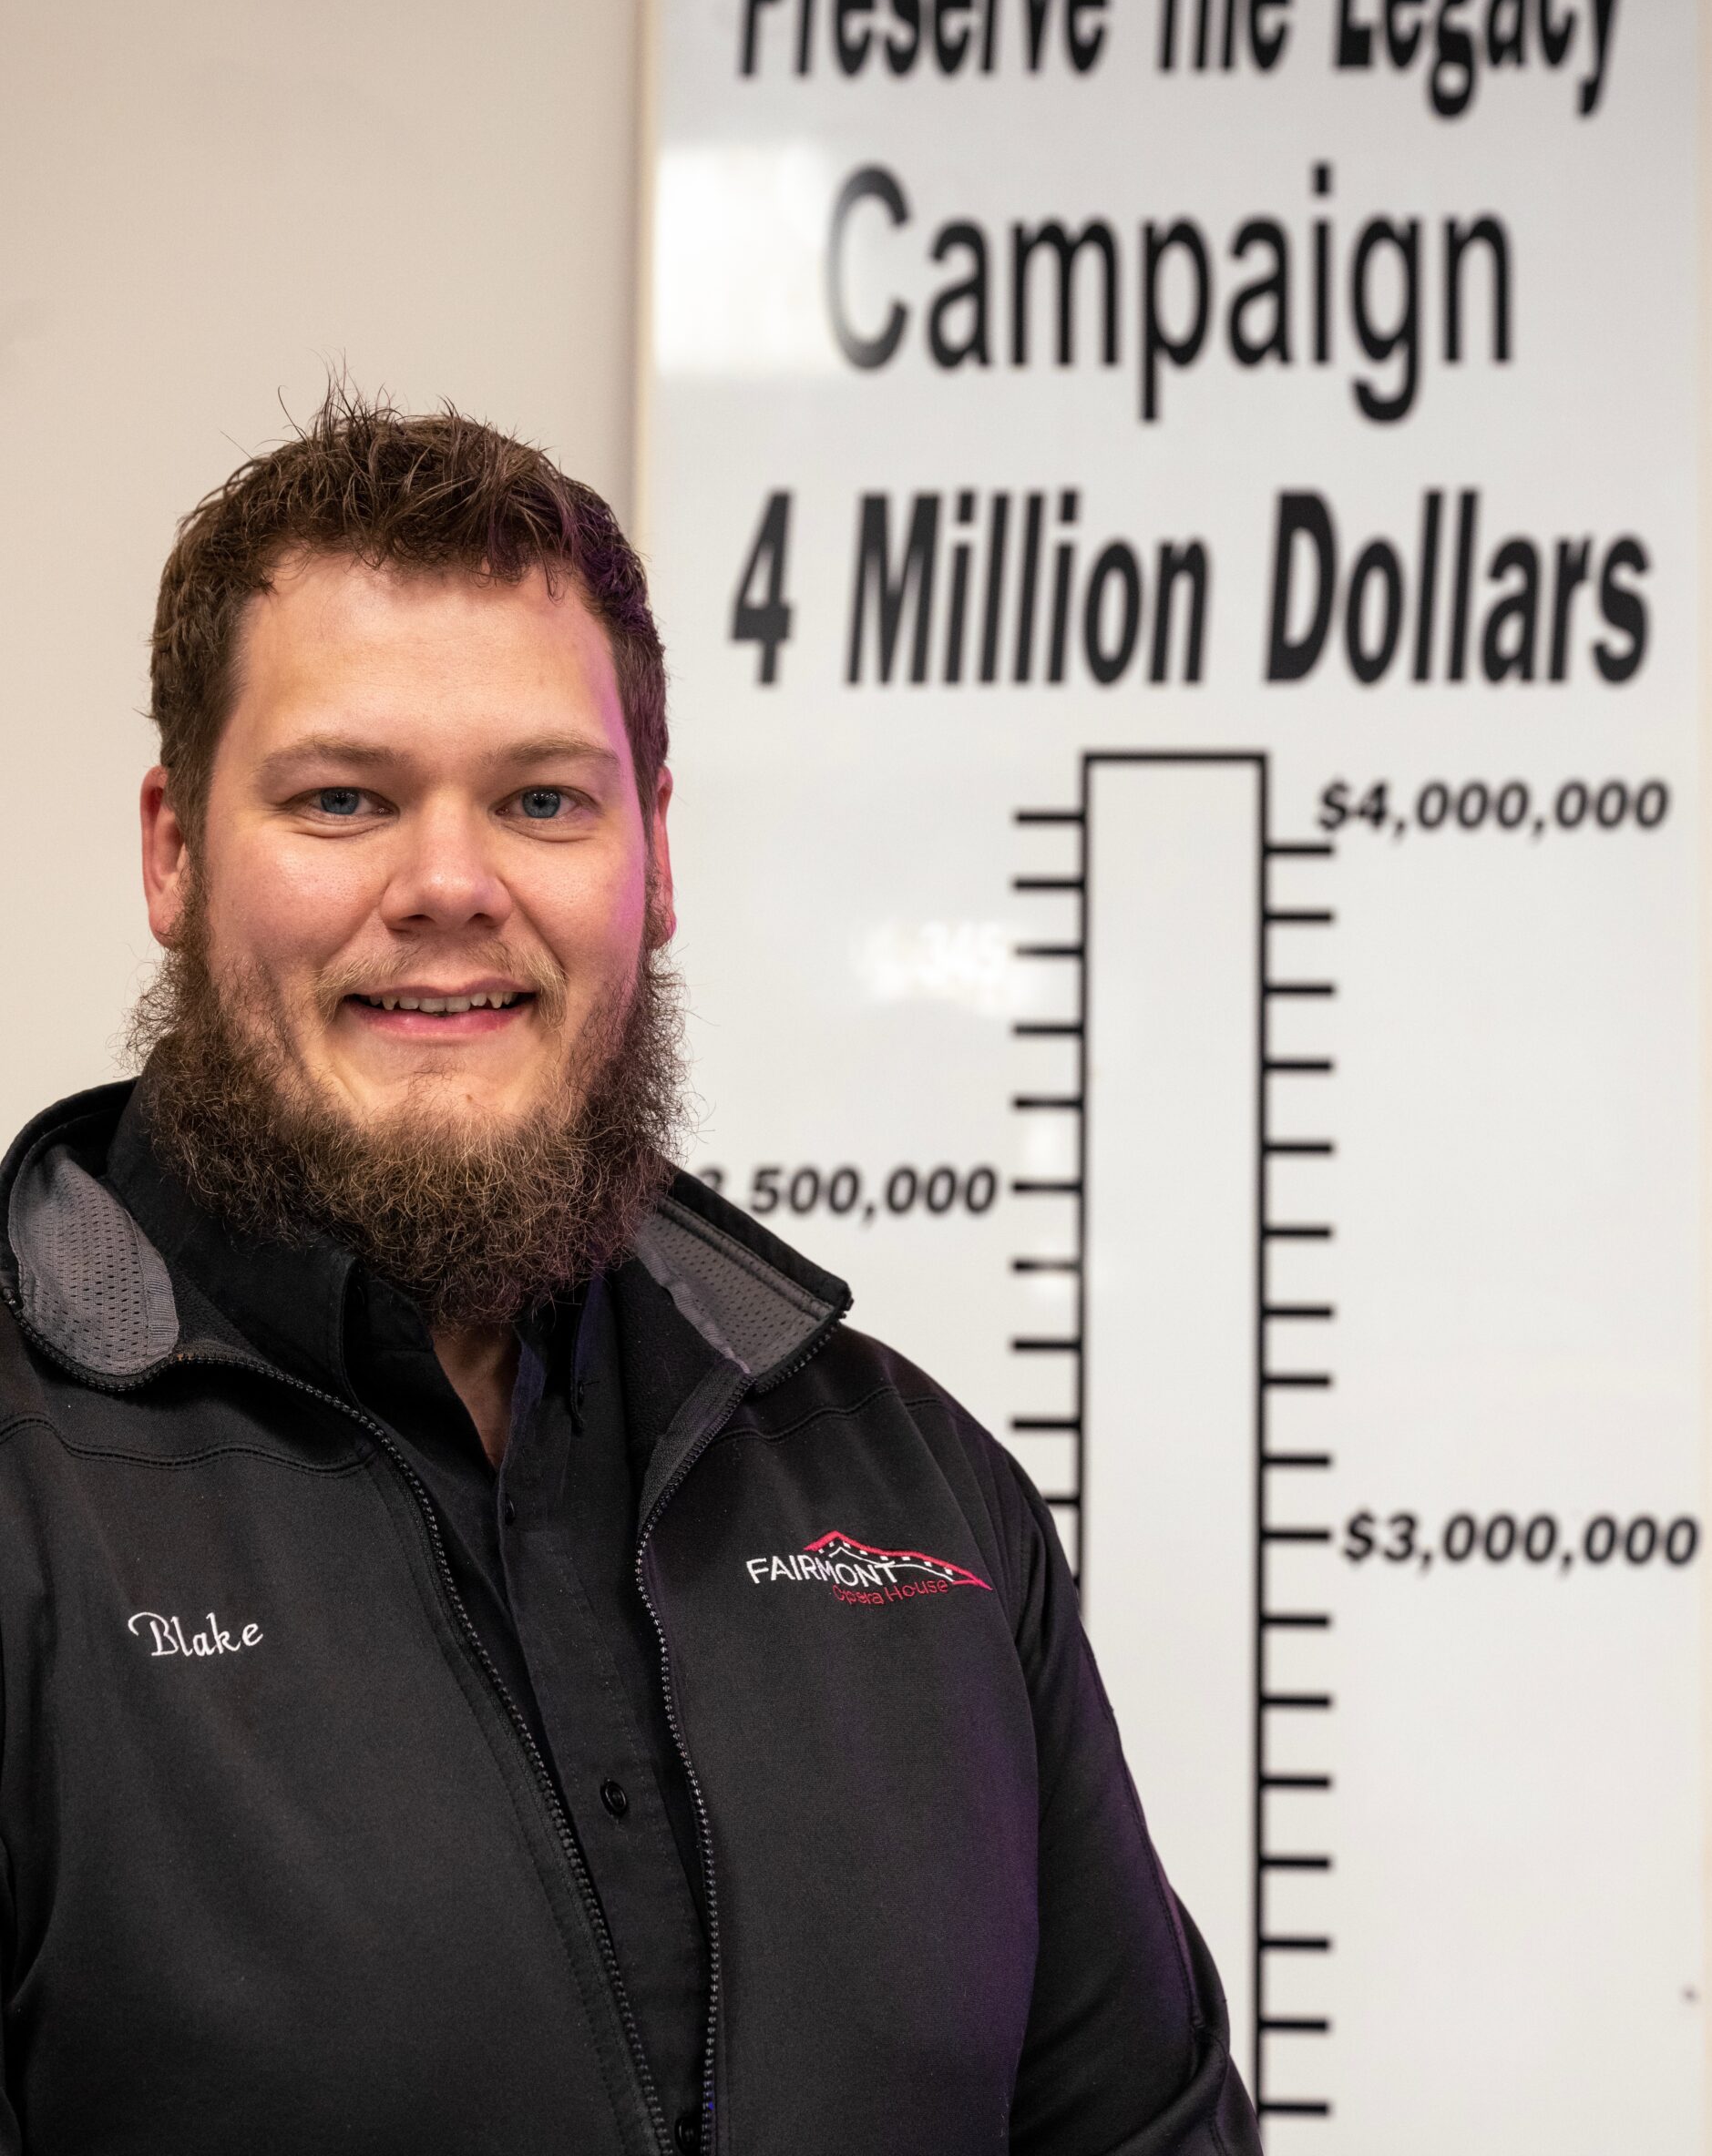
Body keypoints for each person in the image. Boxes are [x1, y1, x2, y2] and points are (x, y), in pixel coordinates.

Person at [0, 392, 1261, 2156]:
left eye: (540, 797)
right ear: (173, 848)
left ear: (651, 852)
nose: (450, 883)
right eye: (342, 796)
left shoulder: (918, 1489)